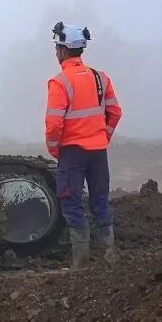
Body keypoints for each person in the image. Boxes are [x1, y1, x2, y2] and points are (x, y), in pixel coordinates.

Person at [45, 22, 122, 268]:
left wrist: (55, 149)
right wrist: (103, 137)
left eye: (57, 48)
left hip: (72, 152)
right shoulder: (101, 78)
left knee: (71, 201)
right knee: (100, 200)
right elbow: (115, 112)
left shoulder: (60, 83)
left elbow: (54, 124)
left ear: (65, 50)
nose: (56, 52)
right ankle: (109, 255)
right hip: (98, 152)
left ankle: (80, 262)